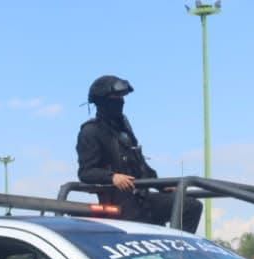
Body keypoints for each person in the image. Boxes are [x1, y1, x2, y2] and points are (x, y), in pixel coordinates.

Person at [76, 75, 202, 233]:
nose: (120, 102)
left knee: (190, 206)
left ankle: (178, 248)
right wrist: (112, 177)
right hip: (119, 204)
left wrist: (162, 186)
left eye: (122, 98)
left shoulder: (124, 130)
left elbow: (141, 166)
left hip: (142, 198)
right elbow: (86, 172)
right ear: (102, 101)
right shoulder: (91, 131)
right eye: (115, 98)